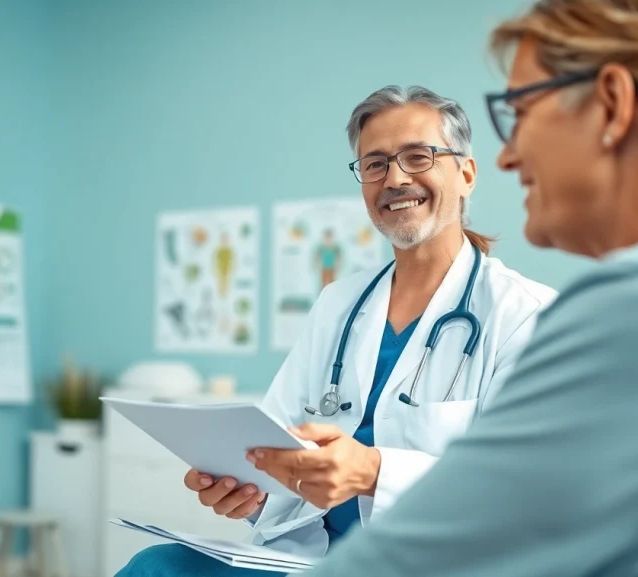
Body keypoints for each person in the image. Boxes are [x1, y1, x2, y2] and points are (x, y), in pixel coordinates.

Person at [296, 0, 638, 576]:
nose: (509, 156)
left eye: (518, 112)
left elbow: (466, 543)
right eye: (375, 164)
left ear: (613, 103)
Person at [115, 86, 557, 576]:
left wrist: (371, 472)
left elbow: (526, 489)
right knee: (155, 567)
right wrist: (250, 491)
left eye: (418, 157)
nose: (395, 178)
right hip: (308, 561)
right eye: (375, 164)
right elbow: (278, 446)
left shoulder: (525, 315)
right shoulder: (338, 305)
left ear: (466, 174)